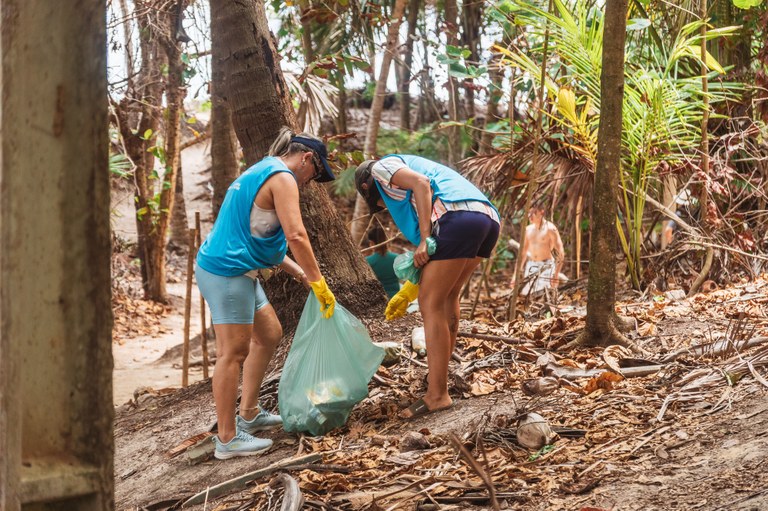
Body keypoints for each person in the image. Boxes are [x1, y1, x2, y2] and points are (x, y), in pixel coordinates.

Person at [196, 127, 337, 460]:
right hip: (227, 271)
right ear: (306, 159)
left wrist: (301, 273)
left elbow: (264, 239)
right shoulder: (283, 177)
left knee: (269, 333)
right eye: (315, 174)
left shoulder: (262, 169)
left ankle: (249, 413)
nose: (309, 183)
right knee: (233, 351)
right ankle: (228, 439)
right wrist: (318, 281)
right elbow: (297, 235)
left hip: (236, 269)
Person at [355, 154, 500, 419]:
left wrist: (424, 238)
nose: (385, 205)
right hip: (487, 218)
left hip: (456, 216)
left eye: (380, 201)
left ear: (367, 186)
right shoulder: (416, 165)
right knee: (447, 297)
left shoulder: (380, 168)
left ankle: (437, 395)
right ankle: (441, 378)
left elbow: (421, 184)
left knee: (429, 303)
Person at [513, 203, 565, 296]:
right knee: (527, 296)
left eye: (534, 213)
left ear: (541, 212)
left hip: (546, 265)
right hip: (531, 265)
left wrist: (556, 274)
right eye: (529, 213)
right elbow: (523, 253)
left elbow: (560, 252)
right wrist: (515, 275)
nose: (530, 216)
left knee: (544, 296)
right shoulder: (528, 229)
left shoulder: (550, 228)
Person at [365, 226, 400, 298]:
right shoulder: (397, 258)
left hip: (379, 300)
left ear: (371, 243)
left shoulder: (368, 261)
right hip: (396, 298)